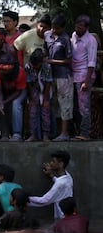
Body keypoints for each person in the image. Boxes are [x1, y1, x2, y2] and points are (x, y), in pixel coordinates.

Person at [43, 14, 73, 142]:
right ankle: (56, 131)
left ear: (63, 28)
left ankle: (65, 132)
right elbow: (45, 51)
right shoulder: (47, 35)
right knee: (54, 103)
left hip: (63, 75)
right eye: (53, 28)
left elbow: (69, 60)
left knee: (65, 104)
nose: (55, 30)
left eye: (57, 28)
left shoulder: (66, 39)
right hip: (50, 75)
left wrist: (52, 61)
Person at [71, 14, 98, 141]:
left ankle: (85, 133)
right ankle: (77, 131)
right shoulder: (73, 36)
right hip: (74, 75)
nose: (78, 28)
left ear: (86, 28)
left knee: (84, 107)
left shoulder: (91, 40)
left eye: (81, 27)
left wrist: (86, 82)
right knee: (76, 106)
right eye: (77, 25)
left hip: (84, 76)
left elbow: (92, 62)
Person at [29, 150, 73, 220]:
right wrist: (51, 175)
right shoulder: (68, 177)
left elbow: (44, 201)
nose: (50, 163)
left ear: (61, 164)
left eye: (53, 161)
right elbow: (60, 183)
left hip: (62, 218)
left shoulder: (59, 183)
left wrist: (26, 199)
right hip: (68, 216)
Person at [0, 54, 27, 142]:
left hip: (18, 91)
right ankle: (4, 134)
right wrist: (1, 103)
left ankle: (17, 134)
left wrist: (5, 101)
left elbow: (18, 92)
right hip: (4, 91)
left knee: (16, 104)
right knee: (1, 108)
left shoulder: (20, 72)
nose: (4, 72)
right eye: (2, 70)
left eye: (6, 70)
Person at [25, 48, 53, 141]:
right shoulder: (28, 67)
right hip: (34, 89)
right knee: (32, 112)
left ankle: (46, 134)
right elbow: (28, 82)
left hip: (45, 90)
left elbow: (48, 83)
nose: (35, 67)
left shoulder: (47, 67)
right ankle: (33, 134)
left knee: (45, 112)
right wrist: (32, 98)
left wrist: (45, 99)